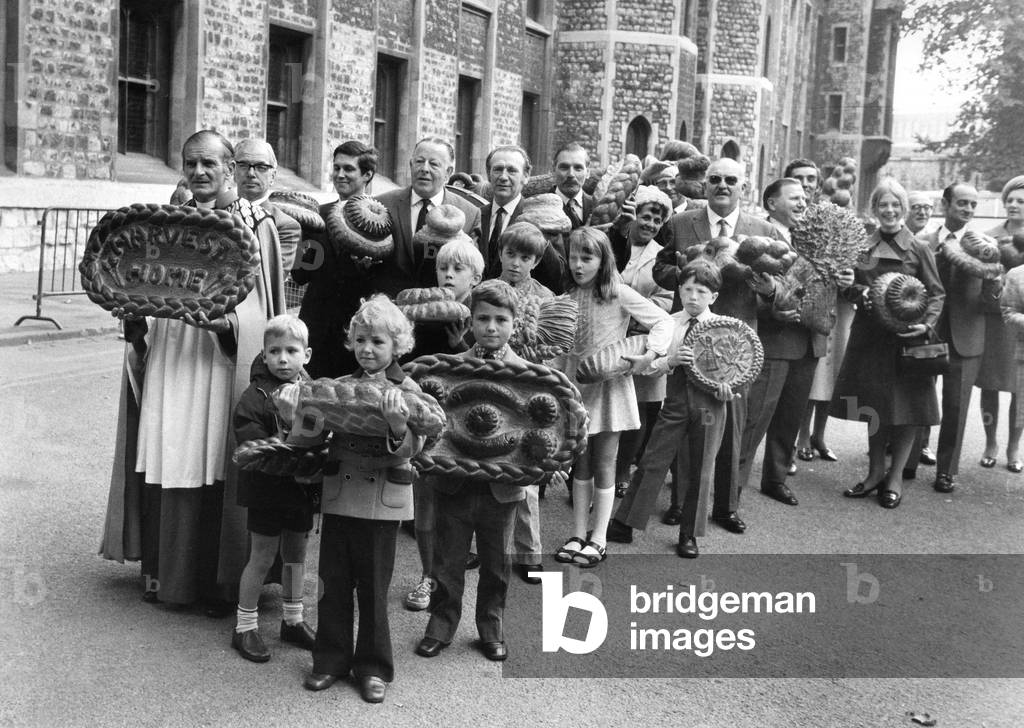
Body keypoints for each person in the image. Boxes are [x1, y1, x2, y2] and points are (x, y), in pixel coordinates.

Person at [99, 130, 287, 611]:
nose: (199, 173)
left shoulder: (251, 223)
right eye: (190, 163)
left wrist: (226, 323)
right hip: (168, 351)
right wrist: (133, 311)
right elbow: (143, 282)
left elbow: (265, 313)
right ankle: (165, 573)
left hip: (215, 360)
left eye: (210, 163)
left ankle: (217, 582)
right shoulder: (163, 224)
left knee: (210, 453)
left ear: (230, 168)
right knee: (167, 445)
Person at [297, 295, 426, 703]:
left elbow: (415, 447)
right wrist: (292, 416)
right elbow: (311, 436)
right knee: (332, 584)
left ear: (398, 346)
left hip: (381, 501)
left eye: (378, 342)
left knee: (373, 587)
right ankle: (331, 659)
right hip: (340, 497)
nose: (368, 349)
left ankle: (373, 666)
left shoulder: (407, 389)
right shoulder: (340, 388)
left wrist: (397, 425)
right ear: (351, 341)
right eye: (361, 340)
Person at [653, 157, 780, 533]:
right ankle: (681, 503)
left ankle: (726, 505)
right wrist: (684, 271)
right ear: (704, 185)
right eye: (715, 179)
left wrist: (771, 289)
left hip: (736, 344)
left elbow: (788, 283)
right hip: (692, 336)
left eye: (731, 180)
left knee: (732, 423)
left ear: (745, 186)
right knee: (686, 421)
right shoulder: (680, 223)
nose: (722, 185)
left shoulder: (763, 229)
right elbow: (659, 268)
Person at [415, 280, 529, 663]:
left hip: (502, 488)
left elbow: (539, 430)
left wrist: (547, 466)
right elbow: (433, 419)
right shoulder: (452, 370)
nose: (491, 327)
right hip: (455, 483)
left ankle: (491, 626)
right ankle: (441, 624)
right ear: (470, 322)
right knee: (449, 561)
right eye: (483, 318)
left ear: (515, 323)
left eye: (501, 319)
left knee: (497, 565)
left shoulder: (528, 376)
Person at [553, 228, 673, 567]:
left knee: (606, 462)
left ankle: (599, 538)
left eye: (587, 258)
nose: (578, 264)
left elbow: (663, 322)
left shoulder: (618, 292)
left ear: (604, 260)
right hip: (577, 386)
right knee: (582, 463)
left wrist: (650, 355)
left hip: (610, 387)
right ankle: (577, 533)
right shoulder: (569, 296)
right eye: (574, 257)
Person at [608, 261, 735, 558]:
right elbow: (648, 368)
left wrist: (727, 389)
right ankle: (625, 523)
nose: (693, 297)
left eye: (701, 291)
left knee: (701, 468)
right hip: (676, 400)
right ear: (679, 290)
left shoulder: (726, 329)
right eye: (688, 289)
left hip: (710, 405)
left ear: (713, 296)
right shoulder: (669, 323)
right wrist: (671, 361)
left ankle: (689, 534)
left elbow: (736, 372)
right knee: (653, 460)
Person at [738, 178, 852, 508]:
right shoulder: (761, 236)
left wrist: (846, 280)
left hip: (810, 342)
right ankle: (733, 484)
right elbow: (754, 288)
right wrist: (779, 300)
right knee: (755, 417)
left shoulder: (819, 237)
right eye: (794, 198)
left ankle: (775, 478)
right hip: (775, 339)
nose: (802, 204)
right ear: (772, 203)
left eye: (804, 198)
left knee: (791, 415)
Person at [832, 177, 944, 508]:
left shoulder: (919, 248)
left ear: (905, 210)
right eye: (883, 205)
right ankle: (875, 472)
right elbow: (848, 289)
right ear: (874, 209)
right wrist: (854, 289)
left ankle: (895, 477)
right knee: (875, 404)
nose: (890, 211)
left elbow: (937, 293)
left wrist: (925, 324)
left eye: (896, 205)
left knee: (908, 407)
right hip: (871, 337)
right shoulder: (861, 248)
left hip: (909, 339)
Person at [402, 238, 483, 612]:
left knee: (457, 502)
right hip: (425, 414)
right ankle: (427, 575)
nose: (448, 274)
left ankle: (451, 576)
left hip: (465, 420)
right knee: (424, 503)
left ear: (476, 277)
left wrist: (463, 341)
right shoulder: (420, 310)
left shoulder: (482, 315)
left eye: (458, 269)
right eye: (442, 268)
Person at [231, 315, 317, 662]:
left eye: (291, 351)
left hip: (300, 487)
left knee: (296, 554)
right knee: (263, 556)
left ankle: (293, 620)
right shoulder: (255, 396)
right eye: (275, 351)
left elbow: (320, 434)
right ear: (263, 356)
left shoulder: (314, 392)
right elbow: (251, 443)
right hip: (266, 487)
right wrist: (283, 426)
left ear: (306, 355)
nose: (283, 359)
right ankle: (245, 626)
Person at [925, 183, 1001, 493]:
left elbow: (992, 303)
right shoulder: (924, 242)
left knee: (957, 407)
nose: (968, 209)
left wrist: (993, 284)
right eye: (962, 203)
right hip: (927, 333)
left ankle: (946, 470)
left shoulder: (986, 248)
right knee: (917, 397)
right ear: (945, 204)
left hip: (966, 336)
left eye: (973, 204)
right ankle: (907, 459)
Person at [606, 186, 675, 501]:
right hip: (609, 336)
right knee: (603, 404)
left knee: (640, 409)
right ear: (634, 215)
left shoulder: (661, 255)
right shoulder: (612, 244)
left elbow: (667, 297)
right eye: (645, 217)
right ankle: (593, 473)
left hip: (645, 338)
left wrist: (642, 314)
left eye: (657, 221)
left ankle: (622, 471)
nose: (650, 224)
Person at [292, 140, 378, 378]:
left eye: (348, 169)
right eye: (336, 167)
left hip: (357, 333)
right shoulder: (316, 216)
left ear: (367, 174)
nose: (340, 175)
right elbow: (301, 274)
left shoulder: (379, 222)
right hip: (316, 328)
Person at [374, 137, 482, 295]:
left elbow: (472, 270)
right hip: (389, 308)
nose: (424, 169)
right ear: (411, 165)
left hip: (440, 309)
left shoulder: (469, 214)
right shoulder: (383, 204)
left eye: (434, 164)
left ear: (449, 172)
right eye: (419, 161)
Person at [978, 175, 1024, 472]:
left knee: (1020, 388)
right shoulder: (989, 236)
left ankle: (1013, 447)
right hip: (995, 321)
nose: (1013, 205)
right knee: (991, 385)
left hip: (1022, 324)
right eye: (1010, 200)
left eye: (1021, 201)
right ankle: (990, 441)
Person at [481, 145, 565, 293]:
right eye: (498, 169)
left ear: (526, 176)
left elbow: (558, 277)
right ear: (489, 174)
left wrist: (540, 236)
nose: (503, 177)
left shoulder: (542, 218)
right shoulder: (475, 214)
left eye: (512, 170)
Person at [234, 138, 300, 270]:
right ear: (233, 170)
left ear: (273, 176)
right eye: (243, 165)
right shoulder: (218, 211)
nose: (251, 173)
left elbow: (273, 276)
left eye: (261, 167)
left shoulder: (286, 226)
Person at [495, 222, 555, 298]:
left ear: (536, 262)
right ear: (500, 254)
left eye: (525, 258)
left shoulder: (545, 297)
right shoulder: (484, 293)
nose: (515, 263)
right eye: (510, 254)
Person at [551, 142, 594, 229]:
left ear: (588, 172)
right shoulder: (540, 208)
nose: (571, 174)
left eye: (578, 168)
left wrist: (623, 231)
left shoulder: (596, 207)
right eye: (564, 167)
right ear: (553, 170)